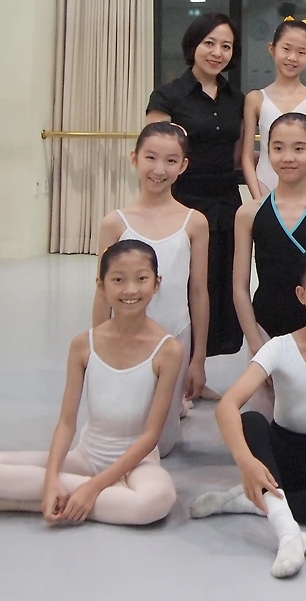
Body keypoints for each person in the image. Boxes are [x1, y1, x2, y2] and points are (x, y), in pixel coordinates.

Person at [190, 244, 306, 579]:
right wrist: (246, 462)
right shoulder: (279, 347)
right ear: (301, 294)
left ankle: (255, 502)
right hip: (281, 449)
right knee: (251, 421)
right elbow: (228, 405)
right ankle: (288, 534)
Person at [0, 240, 180, 526]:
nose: (130, 290)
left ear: (156, 283)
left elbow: (151, 435)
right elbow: (66, 423)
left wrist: (93, 487)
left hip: (138, 465)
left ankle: (34, 501)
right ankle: (73, 496)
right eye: (118, 280)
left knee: (154, 502)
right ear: (101, 285)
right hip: (86, 457)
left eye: (141, 279)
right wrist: (52, 480)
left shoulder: (168, 350)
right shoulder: (83, 344)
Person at [93, 121, 209, 455]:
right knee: (122, 438)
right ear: (135, 158)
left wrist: (198, 358)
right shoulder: (115, 223)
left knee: (161, 446)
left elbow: (198, 291)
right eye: (151, 158)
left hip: (175, 336)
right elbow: (102, 291)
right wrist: (97, 347)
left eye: (170, 161)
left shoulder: (194, 222)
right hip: (124, 339)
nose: (159, 170)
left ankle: (178, 406)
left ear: (183, 166)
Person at [233, 113, 306, 416]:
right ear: (267, 151)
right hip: (264, 327)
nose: (288, 157)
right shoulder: (249, 213)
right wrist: (256, 345)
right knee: (262, 422)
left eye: (299, 148)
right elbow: (239, 287)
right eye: (278, 148)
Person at [147, 12, 245, 357]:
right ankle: (169, 362)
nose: (217, 52)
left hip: (226, 203)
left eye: (226, 46)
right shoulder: (168, 96)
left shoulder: (237, 98)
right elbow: (155, 155)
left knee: (217, 284)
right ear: (193, 45)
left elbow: (238, 154)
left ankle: (197, 366)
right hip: (182, 200)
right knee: (179, 283)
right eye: (209, 43)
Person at [242, 18, 306, 199]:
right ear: (272, 49)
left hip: (304, 191)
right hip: (263, 185)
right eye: (286, 49)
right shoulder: (255, 99)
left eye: (301, 52)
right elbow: (247, 156)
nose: (292, 57)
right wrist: (258, 199)